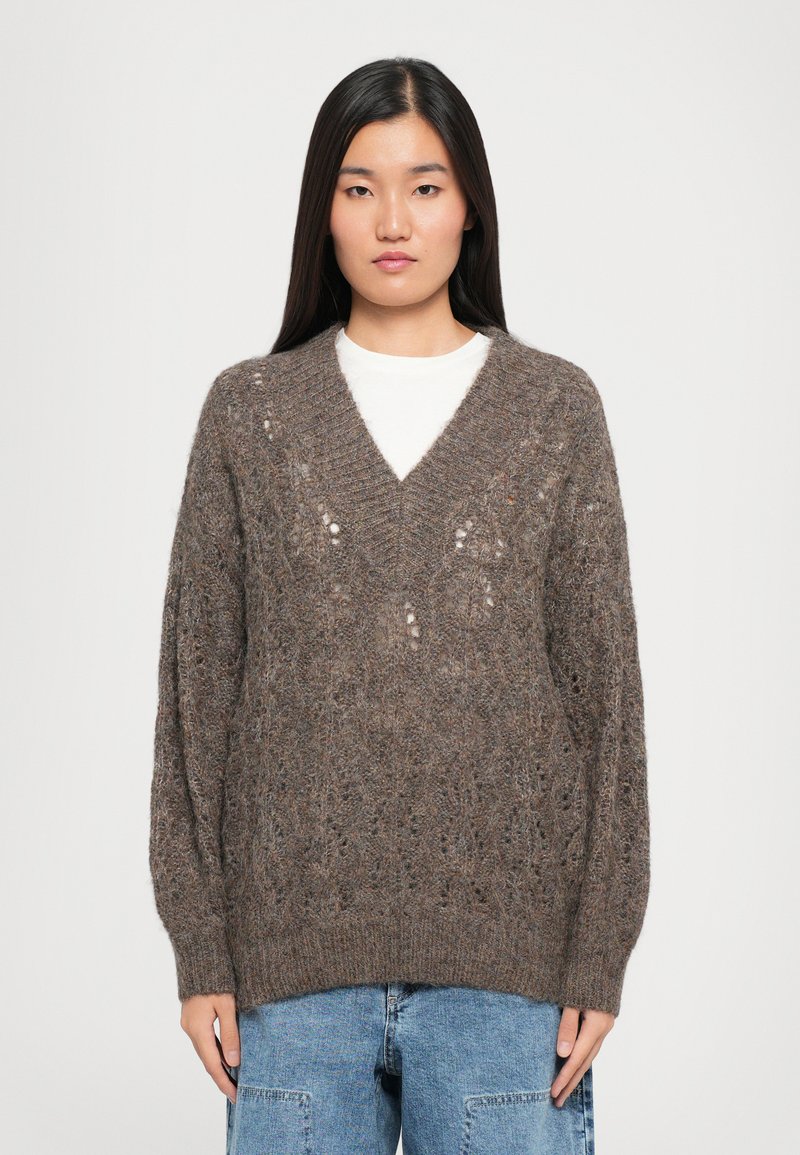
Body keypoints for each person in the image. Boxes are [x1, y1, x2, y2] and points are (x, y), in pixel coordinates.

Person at [149, 56, 650, 1155]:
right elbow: (197, 696)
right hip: (290, 984)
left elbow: (604, 700)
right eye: (357, 186)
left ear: (469, 207)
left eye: (425, 186)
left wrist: (599, 951)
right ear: (320, 210)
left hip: (507, 981)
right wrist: (200, 948)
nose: (392, 220)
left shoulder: (553, 411)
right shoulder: (250, 415)